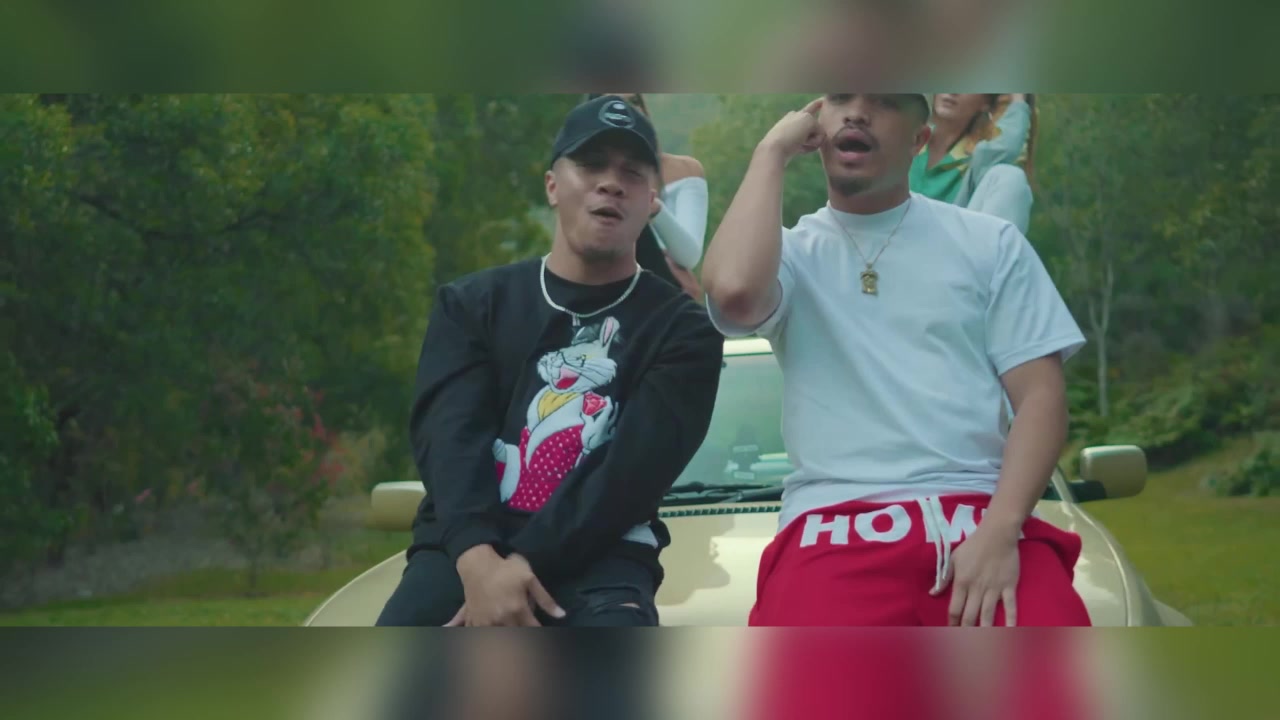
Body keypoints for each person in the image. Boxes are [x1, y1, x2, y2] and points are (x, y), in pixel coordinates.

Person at [700, 94, 1090, 628]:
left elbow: (1041, 398)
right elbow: (733, 294)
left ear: (919, 139)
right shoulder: (791, 255)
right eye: (841, 97)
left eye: (883, 102)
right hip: (832, 525)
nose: (857, 113)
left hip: (983, 514)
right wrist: (770, 153)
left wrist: (1001, 531)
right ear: (817, 123)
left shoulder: (990, 243)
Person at [376, 94, 724, 627]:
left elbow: (629, 476)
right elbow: (449, 441)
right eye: (591, 165)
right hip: (462, 553)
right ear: (552, 185)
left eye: (632, 172)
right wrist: (479, 564)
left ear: (651, 200)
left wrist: (519, 569)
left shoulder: (683, 331)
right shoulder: (471, 305)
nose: (611, 183)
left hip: (605, 559)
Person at [587, 93, 709, 301]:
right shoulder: (589, 179)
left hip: (668, 296)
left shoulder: (685, 171)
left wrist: (654, 208)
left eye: (634, 101)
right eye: (617, 104)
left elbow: (688, 256)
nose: (630, 110)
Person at [910, 93, 1038, 234]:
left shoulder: (979, 158)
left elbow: (1006, 148)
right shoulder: (906, 138)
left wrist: (1018, 99)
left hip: (945, 245)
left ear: (986, 103)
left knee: (1011, 176)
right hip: (893, 240)